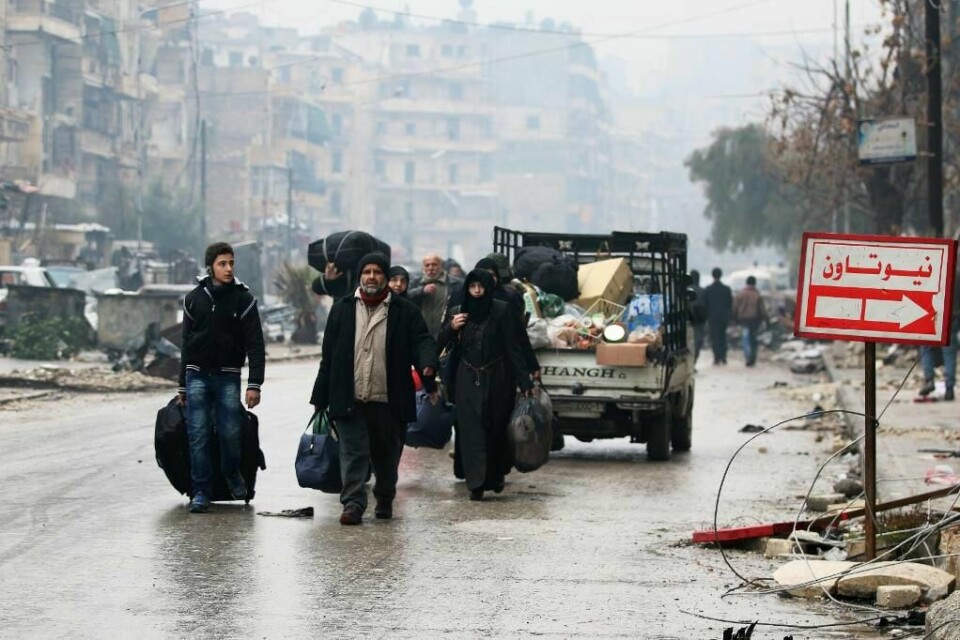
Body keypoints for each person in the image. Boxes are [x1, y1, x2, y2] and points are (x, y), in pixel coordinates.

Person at [310, 252, 439, 525]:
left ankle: (384, 498)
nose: (371, 277)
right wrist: (320, 396)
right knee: (353, 454)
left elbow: (422, 342)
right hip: (351, 397)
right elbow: (329, 357)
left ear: (385, 277)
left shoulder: (405, 311)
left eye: (377, 272)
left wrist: (428, 366)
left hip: (389, 400)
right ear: (359, 276)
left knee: (386, 456)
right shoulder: (343, 309)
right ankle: (353, 504)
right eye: (366, 271)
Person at [178, 242, 265, 514]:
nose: (228, 269)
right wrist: (182, 384)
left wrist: (255, 384)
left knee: (230, 433)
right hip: (197, 376)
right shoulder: (194, 299)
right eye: (222, 264)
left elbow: (255, 344)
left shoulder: (243, 299)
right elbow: (186, 343)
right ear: (210, 266)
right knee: (198, 435)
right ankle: (201, 492)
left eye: (231, 263)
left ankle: (230, 471)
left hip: (228, 376)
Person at [439, 270, 532, 501]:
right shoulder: (458, 313)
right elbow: (439, 341)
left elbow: (513, 347)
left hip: (498, 377)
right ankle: (476, 483)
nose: (477, 291)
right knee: (471, 430)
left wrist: (524, 380)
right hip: (467, 378)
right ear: (467, 289)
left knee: (496, 428)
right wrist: (452, 327)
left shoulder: (501, 310)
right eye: (473, 287)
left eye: (481, 287)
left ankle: (495, 476)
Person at [918, 274, 960, 400]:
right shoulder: (957, 276)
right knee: (949, 353)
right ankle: (949, 389)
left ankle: (929, 380)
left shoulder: (934, 273)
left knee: (926, 347)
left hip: (933, 317)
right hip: (953, 319)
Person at [408, 252, 463, 339]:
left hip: (446, 334)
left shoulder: (455, 283)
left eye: (434, 265)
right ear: (423, 267)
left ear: (441, 266)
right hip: (420, 334)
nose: (431, 268)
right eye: (427, 265)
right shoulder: (415, 283)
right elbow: (405, 297)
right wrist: (421, 291)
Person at [733, 275, 768, 367]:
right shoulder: (757, 295)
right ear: (754, 284)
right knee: (753, 340)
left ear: (746, 283)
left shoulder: (740, 294)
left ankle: (748, 357)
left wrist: (734, 319)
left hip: (743, 320)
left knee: (745, 339)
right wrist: (766, 321)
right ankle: (752, 357)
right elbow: (763, 310)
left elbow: (735, 308)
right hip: (755, 320)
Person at [704, 267, 733, 365]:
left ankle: (716, 358)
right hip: (723, 317)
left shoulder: (708, 290)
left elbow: (706, 305)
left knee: (714, 337)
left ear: (712, 275)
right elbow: (730, 304)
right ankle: (723, 357)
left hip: (712, 317)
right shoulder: (726, 289)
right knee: (723, 337)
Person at [688, 270, 708, 363]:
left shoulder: (684, 290)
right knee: (698, 341)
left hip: (688, 320)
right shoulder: (703, 291)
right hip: (700, 321)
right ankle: (694, 361)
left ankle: (690, 361)